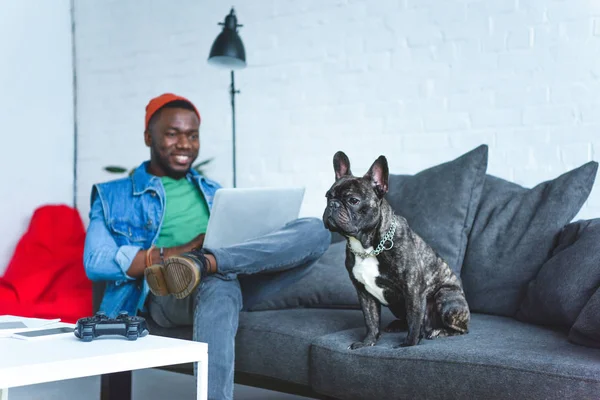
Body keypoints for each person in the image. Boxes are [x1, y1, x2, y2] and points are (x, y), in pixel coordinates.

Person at [83, 93, 331, 400]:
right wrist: (179, 252)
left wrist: (228, 251)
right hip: (168, 292)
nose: (185, 144)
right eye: (172, 134)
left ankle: (208, 262)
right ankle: (204, 265)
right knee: (219, 284)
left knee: (317, 229)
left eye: (192, 135)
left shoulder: (214, 191)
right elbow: (95, 260)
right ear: (149, 136)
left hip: (236, 274)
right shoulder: (113, 194)